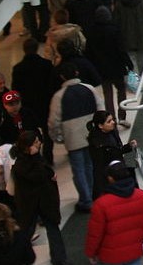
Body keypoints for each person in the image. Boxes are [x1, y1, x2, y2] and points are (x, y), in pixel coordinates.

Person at [48, 62, 104, 213]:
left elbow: (53, 122)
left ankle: (86, 200)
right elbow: (101, 109)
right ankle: (94, 195)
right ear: (77, 73)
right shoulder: (89, 89)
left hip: (72, 137)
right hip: (92, 134)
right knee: (91, 166)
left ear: (62, 77)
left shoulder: (59, 96)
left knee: (78, 169)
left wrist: (58, 138)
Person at [10, 131, 68, 265]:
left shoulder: (30, 160)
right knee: (28, 232)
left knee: (50, 229)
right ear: (27, 147)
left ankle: (59, 259)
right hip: (32, 203)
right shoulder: (22, 165)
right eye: (36, 142)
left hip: (42, 201)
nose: (39, 144)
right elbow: (39, 176)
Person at [85, 161, 143, 265]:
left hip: (110, 256)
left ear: (110, 179)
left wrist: (91, 253)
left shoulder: (101, 204)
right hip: (134, 251)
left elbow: (95, 234)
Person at [86, 111, 137, 199]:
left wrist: (128, 146)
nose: (113, 122)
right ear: (100, 125)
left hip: (116, 169)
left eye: (112, 120)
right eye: (109, 121)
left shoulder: (112, 132)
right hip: (109, 176)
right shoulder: (97, 143)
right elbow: (101, 164)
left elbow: (117, 150)